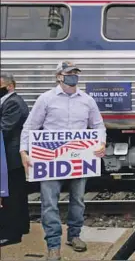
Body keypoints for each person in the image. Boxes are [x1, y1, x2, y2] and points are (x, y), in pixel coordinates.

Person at [19, 61, 106, 261]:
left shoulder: (87, 100)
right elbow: (31, 126)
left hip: (79, 158)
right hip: (50, 160)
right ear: (59, 76)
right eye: (69, 72)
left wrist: (101, 143)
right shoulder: (46, 99)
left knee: (78, 200)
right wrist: (24, 151)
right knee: (49, 203)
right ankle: (53, 245)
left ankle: (74, 235)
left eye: (76, 72)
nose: (73, 76)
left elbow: (98, 125)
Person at [0, 73, 30, 247]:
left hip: (10, 156)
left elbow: (4, 128)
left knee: (10, 195)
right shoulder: (10, 101)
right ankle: (21, 227)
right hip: (11, 155)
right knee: (17, 193)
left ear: (10, 86)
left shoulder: (13, 102)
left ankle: (11, 234)